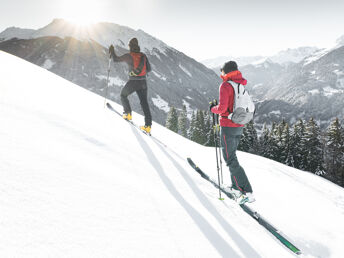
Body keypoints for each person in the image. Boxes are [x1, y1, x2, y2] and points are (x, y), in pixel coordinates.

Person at [210, 61, 255, 204]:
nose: (221, 74)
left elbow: (222, 109)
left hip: (228, 126)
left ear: (226, 71)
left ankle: (246, 191)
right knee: (232, 157)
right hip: (239, 125)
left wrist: (212, 108)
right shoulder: (240, 85)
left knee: (230, 159)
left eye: (222, 71)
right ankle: (236, 187)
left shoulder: (225, 85)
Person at [109, 38, 152, 134]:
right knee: (144, 103)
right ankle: (148, 126)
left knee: (123, 95)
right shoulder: (143, 56)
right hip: (143, 82)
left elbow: (116, 59)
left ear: (130, 46)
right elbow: (149, 69)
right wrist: (141, 72)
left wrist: (112, 51)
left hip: (133, 82)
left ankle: (128, 114)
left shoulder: (128, 56)